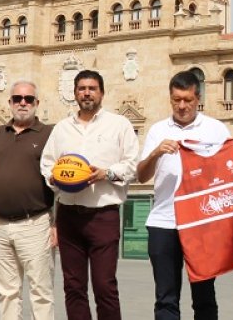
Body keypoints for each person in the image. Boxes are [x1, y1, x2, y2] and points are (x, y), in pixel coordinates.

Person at [40, 70, 139, 320]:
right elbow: (47, 163)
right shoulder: (62, 128)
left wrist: (107, 173)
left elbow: (132, 165)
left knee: (105, 286)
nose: (87, 93)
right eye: (82, 88)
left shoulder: (119, 125)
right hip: (69, 216)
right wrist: (54, 178)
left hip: (103, 215)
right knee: (73, 287)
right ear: (75, 93)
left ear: (102, 93)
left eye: (92, 88)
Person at [136, 70, 231, 320]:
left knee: (204, 297)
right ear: (170, 99)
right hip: (163, 222)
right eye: (176, 99)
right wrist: (156, 152)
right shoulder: (158, 130)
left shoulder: (215, 129)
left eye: (187, 100)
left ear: (197, 98)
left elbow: (231, 171)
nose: (181, 106)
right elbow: (141, 175)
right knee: (165, 298)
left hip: (201, 224)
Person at [0, 81, 58, 320]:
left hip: (36, 223)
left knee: (41, 292)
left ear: (37, 104)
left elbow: (62, 179)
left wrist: (56, 223)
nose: (23, 103)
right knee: (6, 291)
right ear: (10, 103)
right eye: (18, 98)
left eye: (29, 99)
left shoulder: (49, 134)